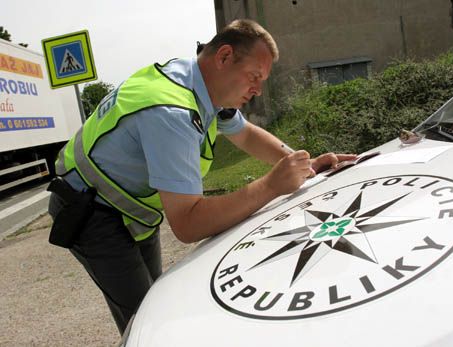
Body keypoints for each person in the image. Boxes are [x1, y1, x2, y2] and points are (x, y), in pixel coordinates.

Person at [47, 19, 356, 335]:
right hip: (90, 210)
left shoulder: (197, 81)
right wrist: (272, 185)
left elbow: (246, 135)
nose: (257, 89)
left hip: (129, 208)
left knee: (157, 303)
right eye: (254, 76)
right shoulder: (171, 113)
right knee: (147, 325)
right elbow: (189, 223)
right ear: (223, 57)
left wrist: (302, 164)